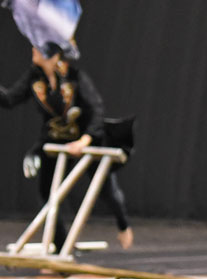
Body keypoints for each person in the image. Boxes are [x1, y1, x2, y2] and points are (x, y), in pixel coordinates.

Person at [0, 43, 133, 251]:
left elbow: (96, 109)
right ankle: (60, 245)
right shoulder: (34, 77)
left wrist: (84, 141)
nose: (33, 50)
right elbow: (9, 99)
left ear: (53, 56)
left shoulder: (74, 77)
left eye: (39, 48)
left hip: (88, 138)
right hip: (57, 139)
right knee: (48, 193)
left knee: (107, 190)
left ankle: (123, 225)